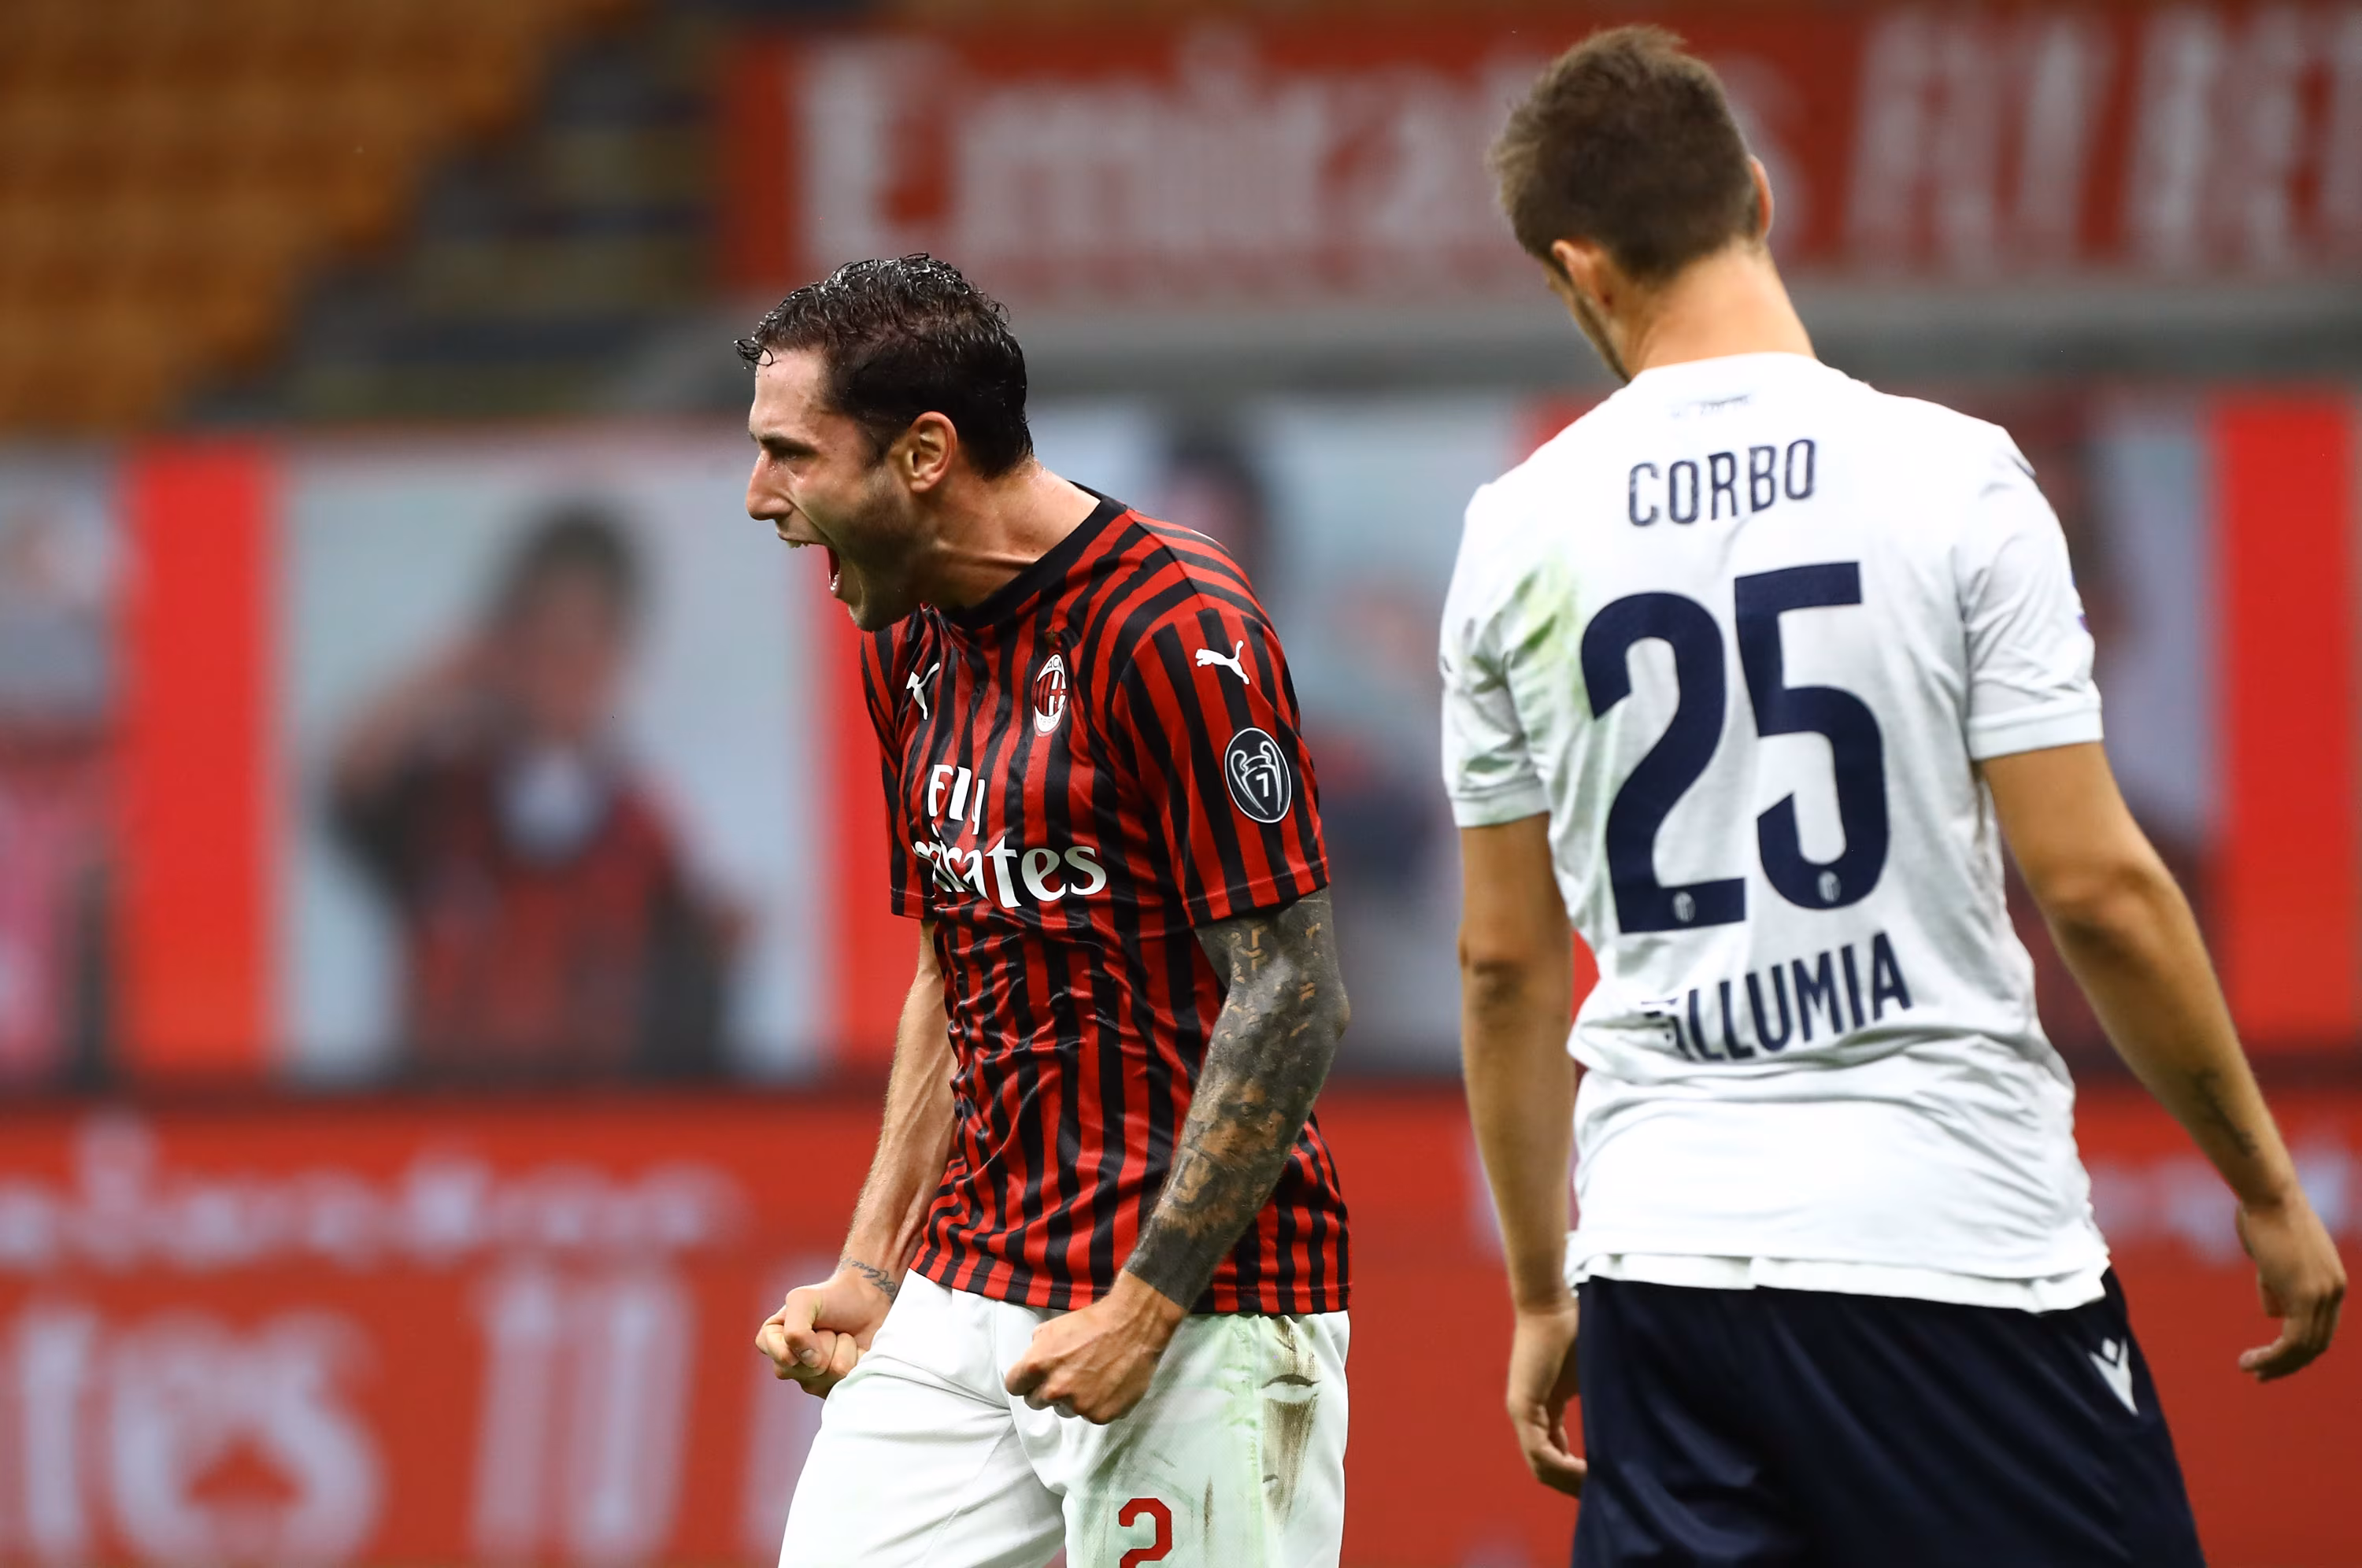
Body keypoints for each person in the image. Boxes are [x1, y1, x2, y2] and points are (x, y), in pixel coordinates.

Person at [1443, 28, 2345, 1566]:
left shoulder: (1514, 532)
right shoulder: (1955, 478)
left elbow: (1504, 963)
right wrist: (2263, 1181)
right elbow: (2098, 891)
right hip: (1948, 1245)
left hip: (1667, 1265)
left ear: (1578, 269)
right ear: (1759, 195)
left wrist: (1544, 1289)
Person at [742, 256, 1353, 1566]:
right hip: (970, 1280)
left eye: (790, 455)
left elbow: (1293, 991)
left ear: (923, 455)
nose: (761, 497)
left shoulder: (1174, 628)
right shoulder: (908, 643)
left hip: (1197, 1310)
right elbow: (953, 963)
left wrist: (1147, 1304)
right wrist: (872, 1264)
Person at [329, 505, 734, 1080]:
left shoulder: (646, 841)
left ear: (616, 657)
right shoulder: (445, 804)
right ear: (507, 643)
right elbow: (346, 783)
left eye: (584, 643)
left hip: (589, 1131)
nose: (561, 668)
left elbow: (690, 1051)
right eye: (544, 638)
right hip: (439, 1125)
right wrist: (454, 676)